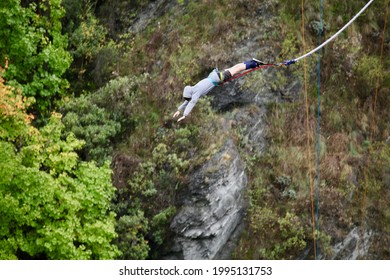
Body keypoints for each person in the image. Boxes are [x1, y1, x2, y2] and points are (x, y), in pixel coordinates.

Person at [173, 58, 265, 122]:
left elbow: (192, 102)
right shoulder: (193, 89)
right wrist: (178, 110)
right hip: (214, 75)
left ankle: (254, 63)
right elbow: (187, 101)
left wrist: (185, 115)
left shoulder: (196, 93)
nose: (189, 100)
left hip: (217, 78)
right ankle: (251, 62)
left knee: (237, 69)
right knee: (234, 68)